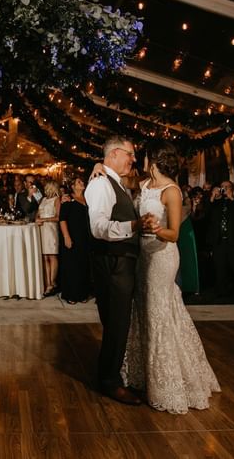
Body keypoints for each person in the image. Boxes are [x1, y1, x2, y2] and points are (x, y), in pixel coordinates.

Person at [121, 142, 220, 414]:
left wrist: (154, 227)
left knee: (160, 312)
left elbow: (174, 233)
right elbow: (120, 176)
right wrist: (96, 166)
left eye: (143, 156)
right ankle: (145, 373)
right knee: (144, 310)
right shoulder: (143, 185)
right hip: (143, 254)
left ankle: (168, 381)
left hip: (162, 255)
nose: (138, 160)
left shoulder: (171, 191)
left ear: (152, 160)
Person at [84, 136, 149, 406]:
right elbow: (98, 228)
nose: (133, 159)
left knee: (118, 322)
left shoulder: (115, 181)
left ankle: (113, 374)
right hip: (113, 261)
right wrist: (134, 226)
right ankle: (109, 381)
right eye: (130, 154)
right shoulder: (101, 184)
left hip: (121, 260)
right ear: (113, 155)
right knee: (116, 323)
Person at [205, 180, 234, 301]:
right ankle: (221, 292)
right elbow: (206, 216)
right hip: (219, 241)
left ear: (233, 189)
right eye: (222, 187)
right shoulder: (216, 203)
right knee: (220, 268)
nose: (224, 189)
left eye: (227, 187)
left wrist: (232, 198)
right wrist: (213, 197)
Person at [59, 178, 91, 304]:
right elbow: (62, 219)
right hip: (72, 236)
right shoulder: (68, 199)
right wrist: (66, 237)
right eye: (78, 182)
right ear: (72, 186)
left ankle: (82, 293)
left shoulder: (87, 199)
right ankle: (71, 294)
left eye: (82, 182)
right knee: (72, 266)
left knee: (84, 265)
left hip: (85, 237)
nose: (82, 183)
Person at [36, 181, 61, 297]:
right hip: (41, 230)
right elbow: (37, 214)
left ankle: (52, 283)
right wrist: (37, 219)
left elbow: (58, 217)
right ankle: (47, 283)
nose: (45, 189)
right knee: (44, 257)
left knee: (52, 255)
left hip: (51, 229)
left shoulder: (57, 200)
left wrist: (45, 220)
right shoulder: (43, 200)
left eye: (47, 187)